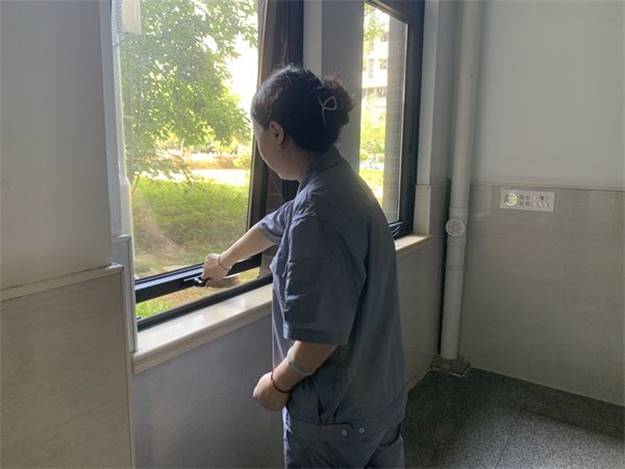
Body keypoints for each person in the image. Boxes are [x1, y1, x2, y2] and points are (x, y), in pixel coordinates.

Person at [202, 64, 406, 468]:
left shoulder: (317, 212)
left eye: (257, 134)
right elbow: (271, 226)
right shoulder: (339, 183)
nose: (259, 147)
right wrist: (223, 261)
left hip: (335, 421)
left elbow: (319, 339)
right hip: (377, 398)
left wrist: (277, 384)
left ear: (276, 133)